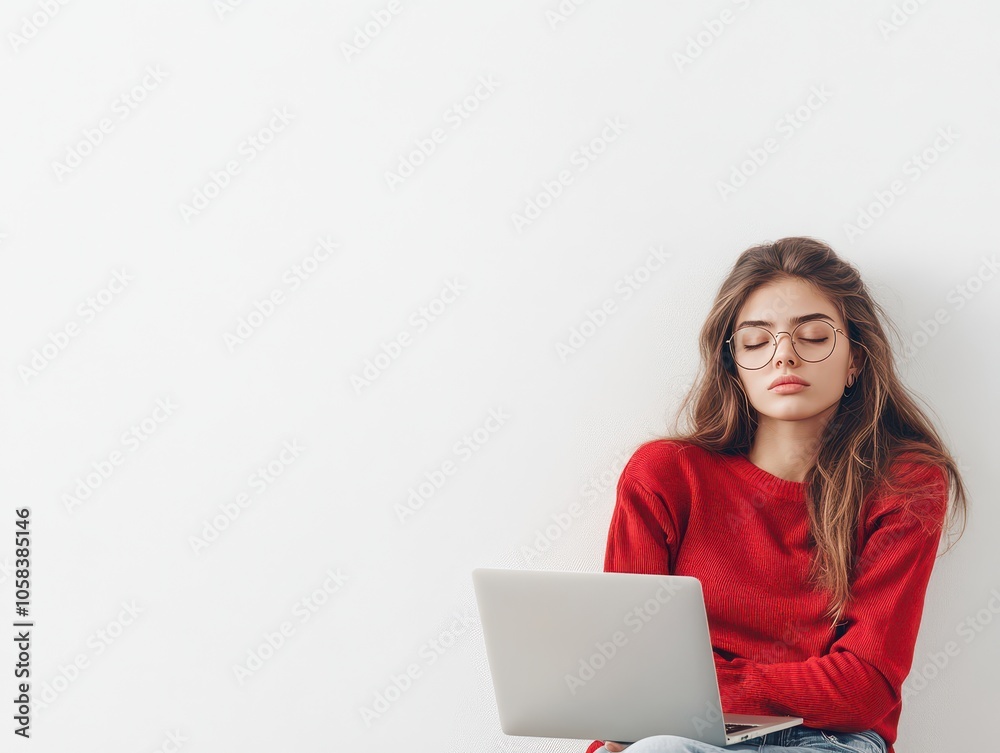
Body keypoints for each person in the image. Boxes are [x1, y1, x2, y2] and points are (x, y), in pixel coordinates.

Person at [586, 237, 967, 753]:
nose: (784, 353)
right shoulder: (665, 475)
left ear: (855, 358)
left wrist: (686, 691)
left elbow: (863, 687)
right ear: (733, 367)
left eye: (812, 336)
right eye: (756, 341)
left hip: (830, 740)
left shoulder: (905, 482)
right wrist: (629, 716)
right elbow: (625, 669)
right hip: (684, 736)